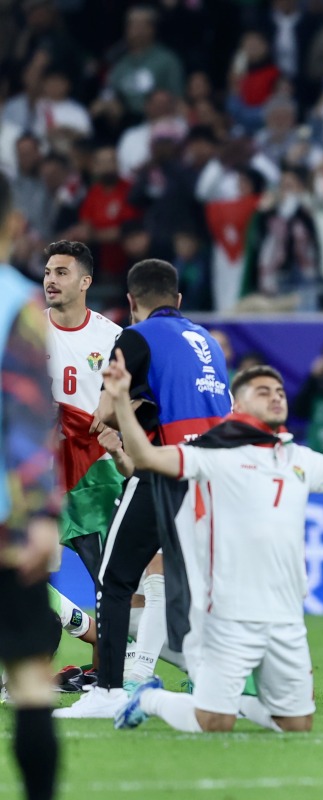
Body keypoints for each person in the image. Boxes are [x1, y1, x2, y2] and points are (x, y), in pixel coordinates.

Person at [111, 360, 323, 732]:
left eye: (279, 391)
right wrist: (121, 402)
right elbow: (147, 457)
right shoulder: (213, 453)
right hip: (228, 614)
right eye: (262, 391)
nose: (275, 397)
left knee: (296, 724)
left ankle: (237, 703)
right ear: (237, 404)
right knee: (214, 722)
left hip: (286, 614)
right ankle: (149, 698)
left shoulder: (297, 457)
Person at [56, 259, 231, 719]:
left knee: (114, 578)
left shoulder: (135, 337)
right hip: (219, 473)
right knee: (187, 583)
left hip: (167, 469)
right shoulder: (207, 342)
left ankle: (109, 691)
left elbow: (103, 410)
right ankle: (216, 682)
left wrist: (116, 413)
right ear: (178, 300)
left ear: (131, 302)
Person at [0, 172, 62, 800]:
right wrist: (43, 513)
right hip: (4, 524)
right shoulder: (17, 305)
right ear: (15, 225)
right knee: (28, 675)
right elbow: (22, 418)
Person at [42, 241, 124, 583]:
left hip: (93, 475)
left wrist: (115, 426)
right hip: (38, 471)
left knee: (111, 582)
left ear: (85, 282)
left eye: (62, 273)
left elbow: (133, 401)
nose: (51, 280)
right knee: (30, 586)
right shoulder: (27, 328)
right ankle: (78, 629)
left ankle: (104, 633)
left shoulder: (112, 337)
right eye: (48, 272)